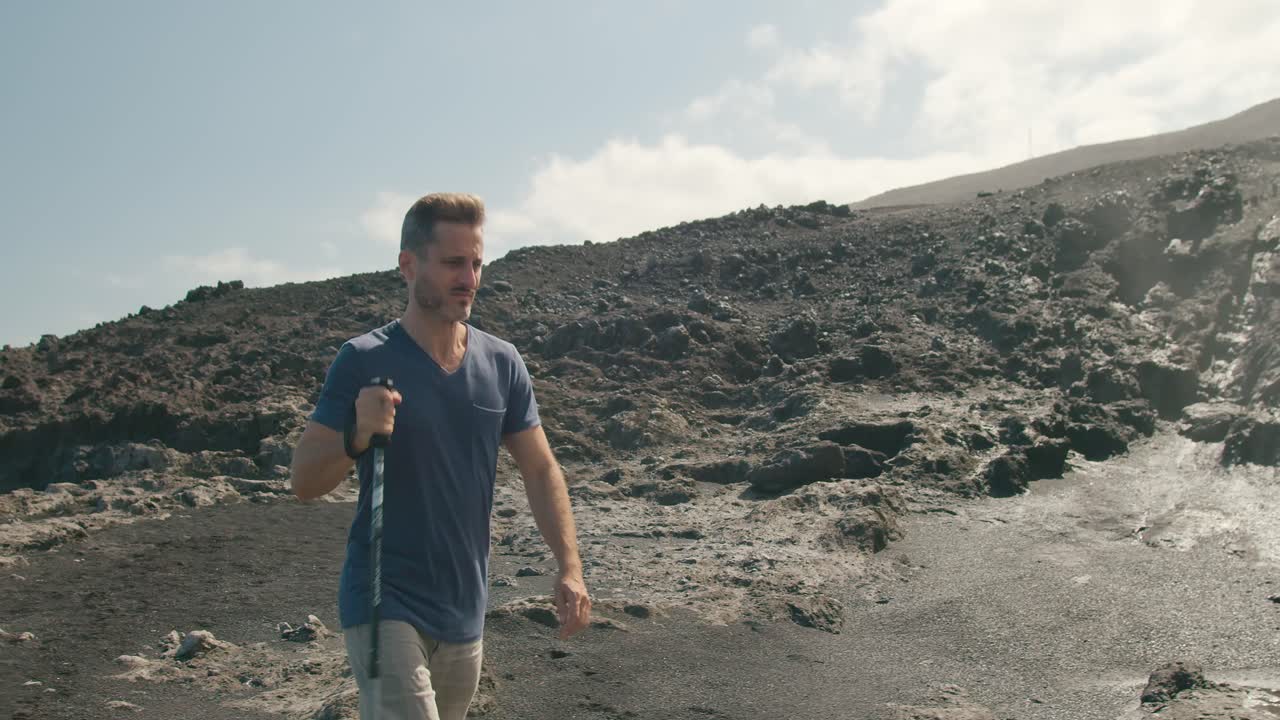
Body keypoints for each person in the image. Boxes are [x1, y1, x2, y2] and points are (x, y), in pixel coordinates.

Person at [289, 192, 591, 720]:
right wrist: (356, 436)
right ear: (409, 265)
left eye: (476, 263)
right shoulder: (363, 360)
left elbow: (541, 468)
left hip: (465, 610)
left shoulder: (502, 364)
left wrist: (570, 567)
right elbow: (304, 481)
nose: (470, 278)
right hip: (383, 600)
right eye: (454, 263)